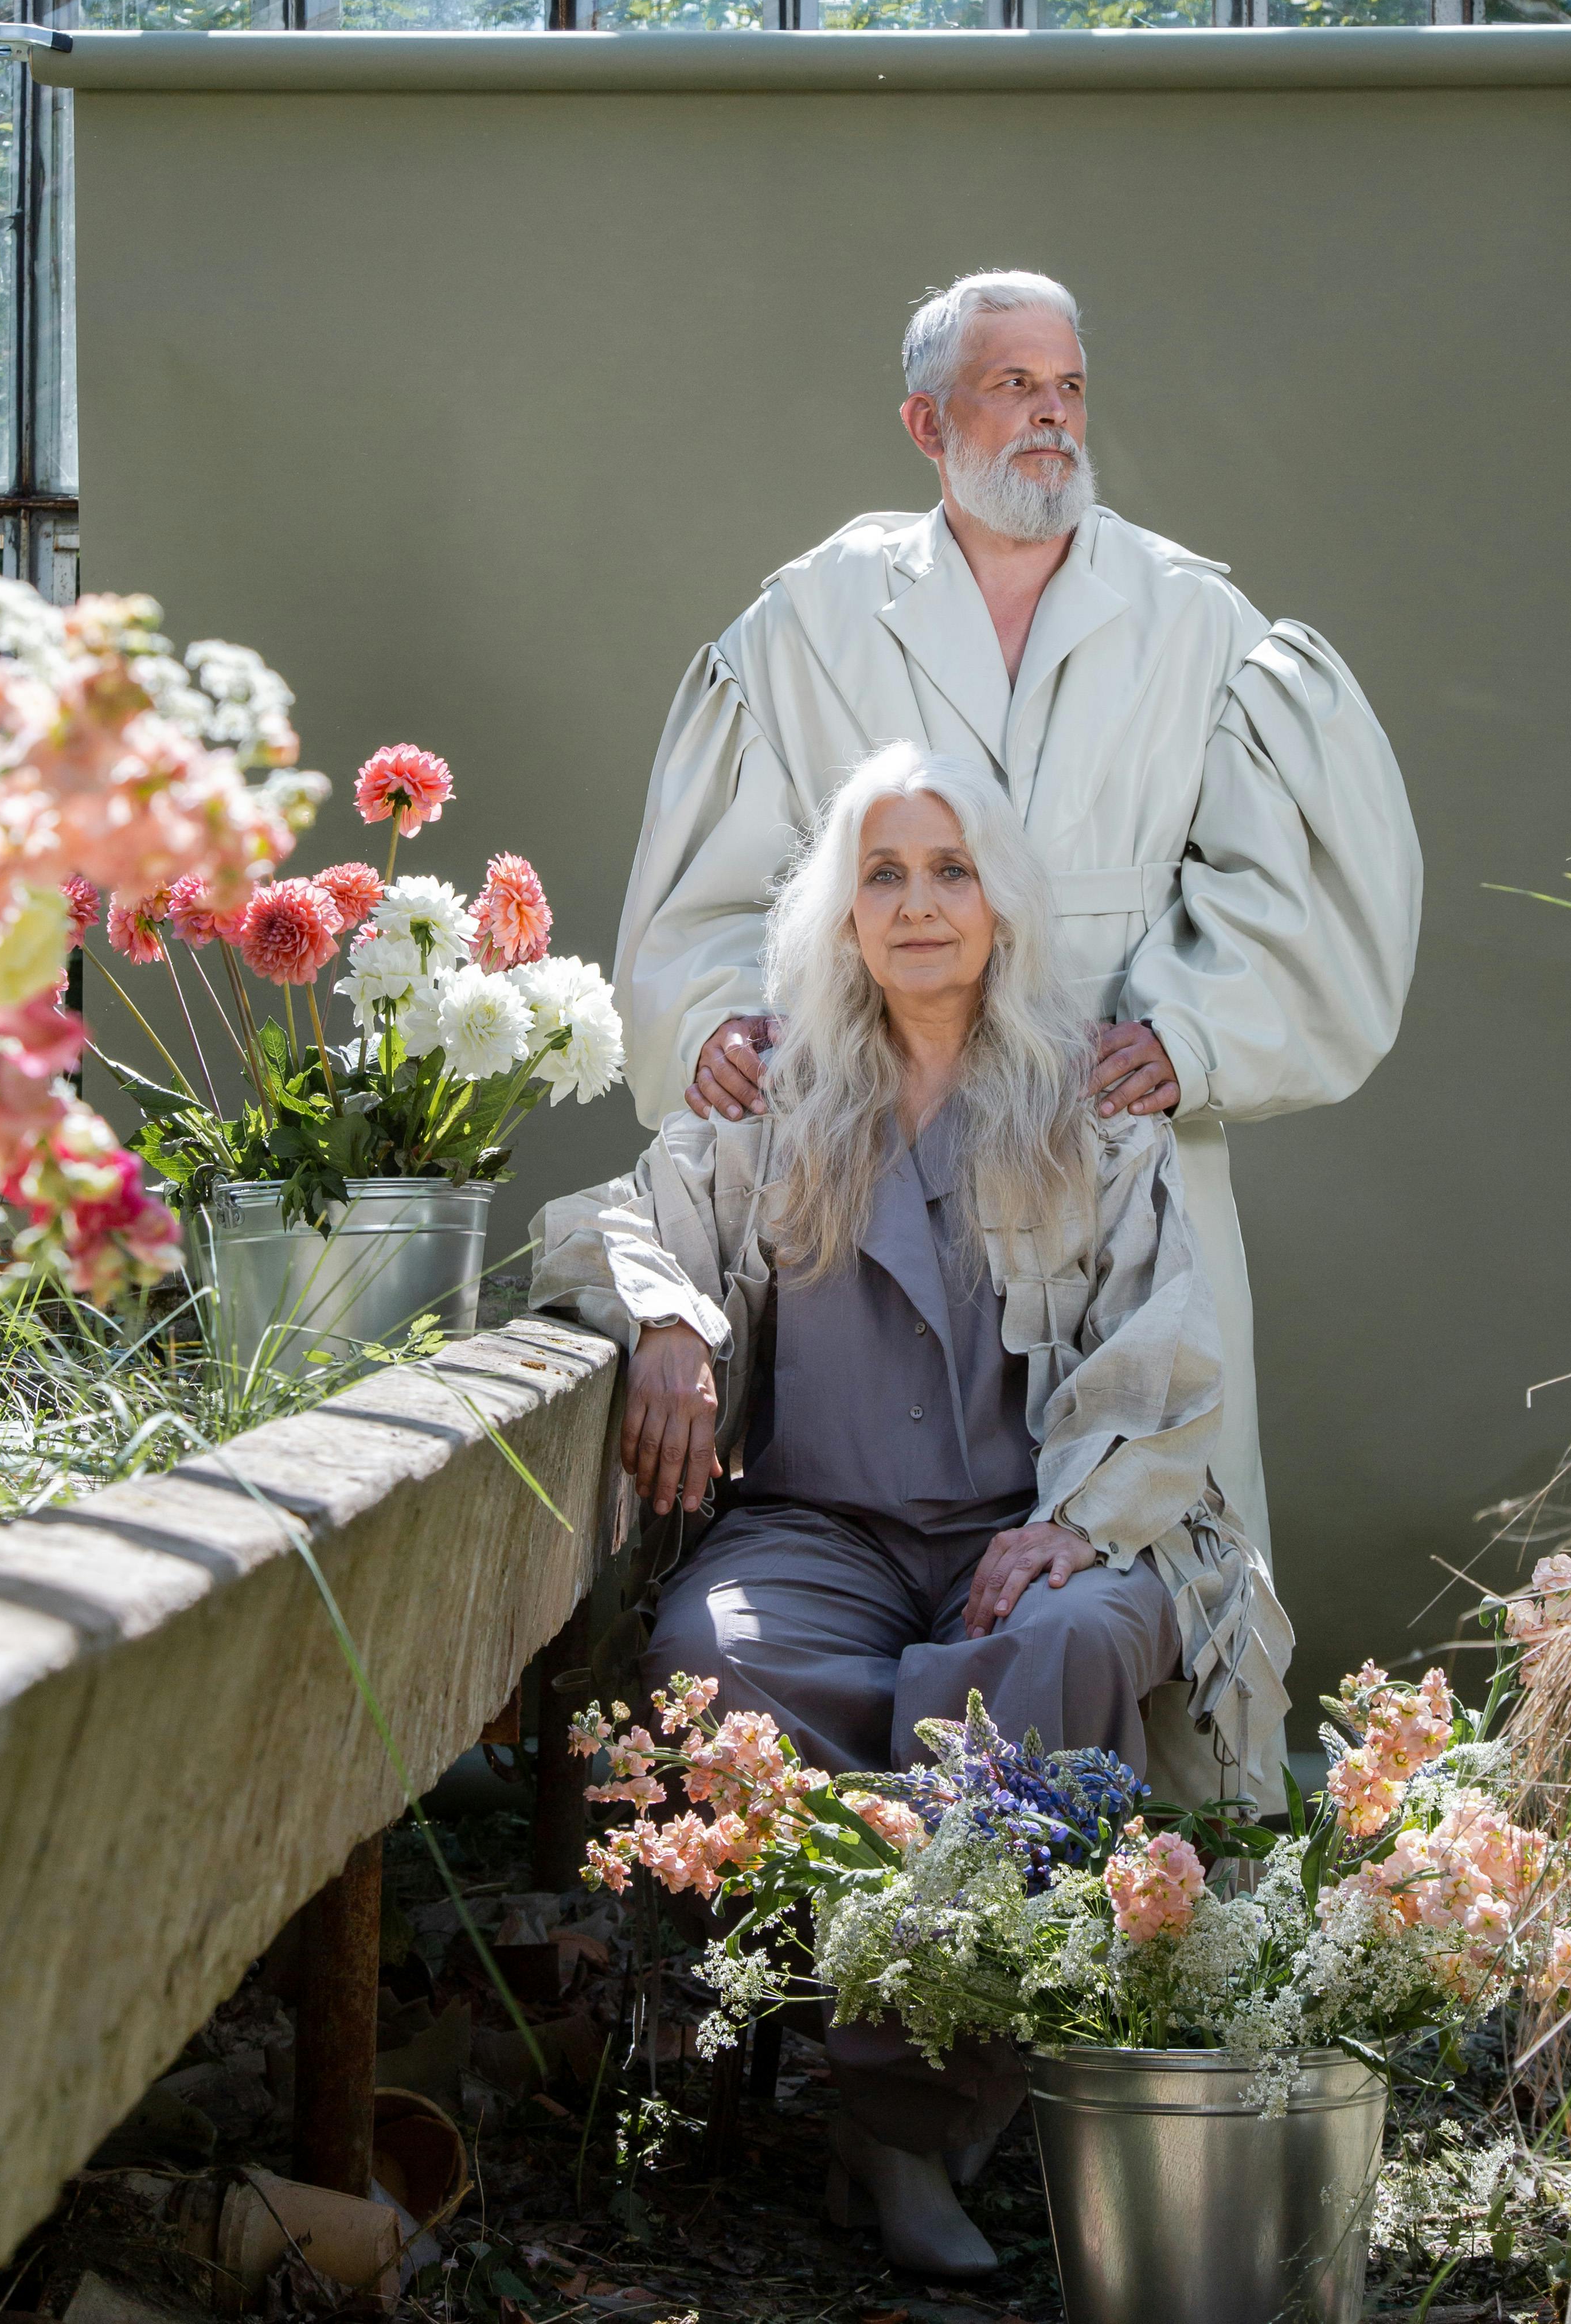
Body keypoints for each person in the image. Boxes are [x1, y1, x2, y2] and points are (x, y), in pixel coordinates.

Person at [612, 268, 1422, 1799]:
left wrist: (1185, 1033)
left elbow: (1298, 891)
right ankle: (878, 1890)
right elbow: (720, 882)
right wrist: (730, 1024)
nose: (1052, 414)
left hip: (1105, 1147)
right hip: (873, 1125)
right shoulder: (814, 617)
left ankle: (1144, 1919)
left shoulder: (1192, 619)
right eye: (1011, 386)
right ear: (929, 422)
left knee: (1130, 1532)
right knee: (809, 1576)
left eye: (1069, 385)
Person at [530, 741, 1289, 2281]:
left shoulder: (1092, 1104)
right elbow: (612, 1220)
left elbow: (1167, 1350)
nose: (920, 902)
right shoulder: (778, 1089)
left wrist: (1082, 1517)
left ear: (1002, 901)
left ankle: (903, 2118)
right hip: (819, 1537)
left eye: (950, 869)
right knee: (720, 1652)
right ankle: (924, 2105)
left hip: (1033, 1528)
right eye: (884, 873)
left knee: (1065, 1643)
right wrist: (671, 1320)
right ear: (843, 913)